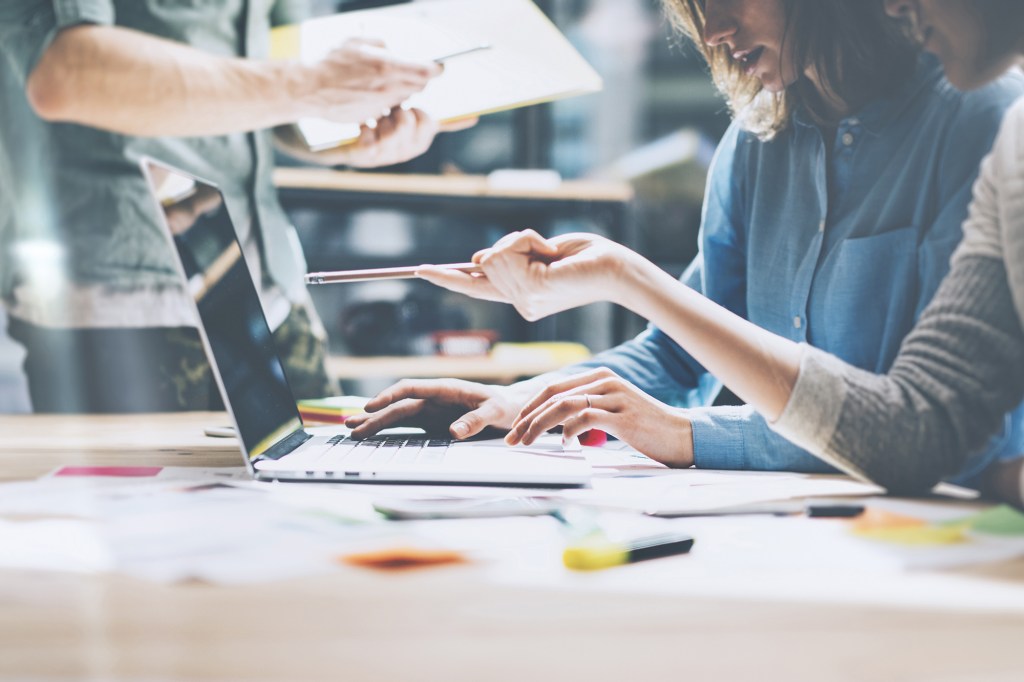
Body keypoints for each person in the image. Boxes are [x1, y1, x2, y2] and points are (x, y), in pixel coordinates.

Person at [346, 0, 1024, 490]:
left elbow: (949, 435)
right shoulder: (760, 138)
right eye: (697, 9)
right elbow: (678, 350)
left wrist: (688, 434)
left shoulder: (985, 120)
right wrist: (519, 404)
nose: (716, 31)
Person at [0, 0, 470, 412]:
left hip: (271, 284)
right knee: (155, 514)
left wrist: (350, 139)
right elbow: (66, 72)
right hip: (129, 302)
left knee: (326, 496)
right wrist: (311, 85)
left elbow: (276, 87)